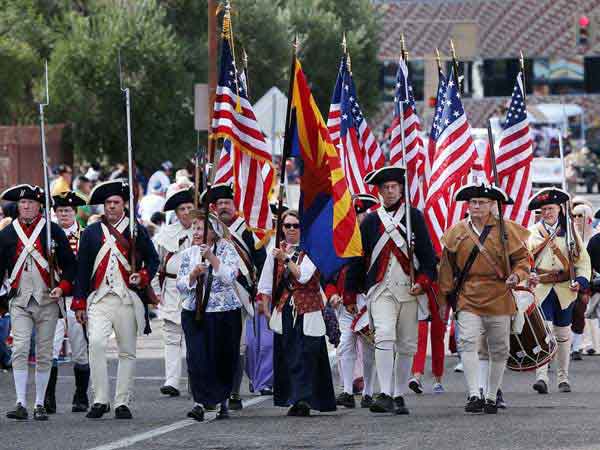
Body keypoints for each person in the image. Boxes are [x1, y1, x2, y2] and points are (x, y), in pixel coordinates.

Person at [345, 167, 437, 415]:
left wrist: (425, 281)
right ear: (380, 191)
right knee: (384, 335)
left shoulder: (414, 217)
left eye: (394, 187)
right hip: (380, 290)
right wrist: (350, 292)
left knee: (407, 345)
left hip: (409, 290)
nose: (390, 191)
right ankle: (384, 392)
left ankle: (398, 394)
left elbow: (428, 257)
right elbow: (358, 259)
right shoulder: (372, 221)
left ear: (401, 189)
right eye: (385, 188)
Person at [438, 183, 531, 414]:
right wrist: (443, 301)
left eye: (481, 202)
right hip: (468, 295)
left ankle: (491, 396)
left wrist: (517, 275)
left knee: (499, 349)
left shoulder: (506, 230)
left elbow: (523, 261)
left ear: (492, 205)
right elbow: (446, 269)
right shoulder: (457, 231)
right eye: (472, 202)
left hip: (499, 295)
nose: (476, 206)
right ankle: (473, 394)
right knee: (467, 343)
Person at [71, 180, 159, 419]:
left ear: (124, 205)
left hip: (127, 298)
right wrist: (79, 302)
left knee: (127, 351)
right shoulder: (90, 233)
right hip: (99, 298)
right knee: (97, 344)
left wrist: (142, 276)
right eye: (108, 203)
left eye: (116, 203)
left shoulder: (135, 229)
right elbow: (82, 270)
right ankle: (100, 399)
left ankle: (122, 401)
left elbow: (153, 260)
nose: (111, 207)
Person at [0, 184, 76, 421]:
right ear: (18, 206)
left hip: (47, 300)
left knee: (44, 353)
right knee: (20, 349)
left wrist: (62, 287)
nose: (27, 206)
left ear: (39, 206)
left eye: (31, 202)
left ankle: (40, 403)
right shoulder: (7, 234)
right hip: (20, 300)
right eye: (23, 203)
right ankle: (21, 402)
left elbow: (70, 265)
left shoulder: (52, 230)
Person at [257, 210, 336, 417]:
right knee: (289, 354)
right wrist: (266, 308)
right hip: (285, 308)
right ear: (282, 228)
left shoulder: (312, 249)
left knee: (308, 354)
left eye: (296, 226)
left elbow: (303, 276)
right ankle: (294, 397)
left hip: (309, 308)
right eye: (287, 226)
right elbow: (266, 283)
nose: (291, 229)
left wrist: (285, 259)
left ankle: (306, 399)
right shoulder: (275, 250)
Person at [204, 183, 268, 408]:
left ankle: (233, 392)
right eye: (219, 203)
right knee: (213, 344)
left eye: (227, 203)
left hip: (241, 294)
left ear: (234, 205)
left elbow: (260, 262)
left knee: (239, 346)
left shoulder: (247, 229)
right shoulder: (209, 229)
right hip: (213, 295)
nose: (223, 207)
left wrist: (261, 294)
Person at [176, 210, 242, 421]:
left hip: (223, 312)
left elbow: (230, 276)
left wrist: (212, 258)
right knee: (197, 357)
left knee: (221, 357)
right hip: (195, 312)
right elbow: (180, 285)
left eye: (200, 228)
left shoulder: (227, 249)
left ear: (213, 232)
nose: (195, 232)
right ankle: (199, 402)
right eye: (194, 227)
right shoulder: (188, 253)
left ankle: (221, 399)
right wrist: (193, 275)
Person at [527, 188, 591, 394]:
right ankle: (542, 377)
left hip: (565, 289)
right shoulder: (533, 232)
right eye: (544, 209)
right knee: (543, 332)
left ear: (559, 210)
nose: (547, 213)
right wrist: (529, 275)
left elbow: (583, 261)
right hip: (541, 288)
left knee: (563, 334)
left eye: (551, 208)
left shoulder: (570, 232)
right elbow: (524, 260)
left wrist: (580, 281)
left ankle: (563, 378)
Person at [326, 193, 378, 409]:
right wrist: (332, 294)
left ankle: (368, 392)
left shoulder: (375, 240)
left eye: (362, 215)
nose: (359, 220)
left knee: (368, 347)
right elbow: (328, 276)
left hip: (369, 298)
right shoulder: (339, 243)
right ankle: (347, 390)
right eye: (355, 216)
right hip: (345, 301)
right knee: (345, 345)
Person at [46, 191, 90, 414]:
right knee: (50, 346)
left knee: (79, 347)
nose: (63, 214)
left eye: (67, 211)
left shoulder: (85, 236)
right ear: (54, 213)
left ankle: (81, 395)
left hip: (75, 297)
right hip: (52, 298)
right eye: (59, 211)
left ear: (75, 213)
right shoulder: (47, 236)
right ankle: (48, 397)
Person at [152, 187, 194, 397]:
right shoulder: (165, 235)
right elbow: (155, 264)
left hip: (197, 289)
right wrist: (155, 292)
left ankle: (195, 378)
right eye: (182, 209)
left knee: (194, 335)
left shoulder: (204, 230)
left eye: (189, 207)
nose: (186, 212)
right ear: (176, 213)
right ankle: (172, 381)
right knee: (171, 335)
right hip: (171, 288)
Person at [571, 203, 596, 360]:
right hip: (568, 279)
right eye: (575, 215)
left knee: (581, 314)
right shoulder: (570, 235)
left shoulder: (594, 237)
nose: (577, 219)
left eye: (581, 215)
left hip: (589, 283)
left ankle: (579, 346)